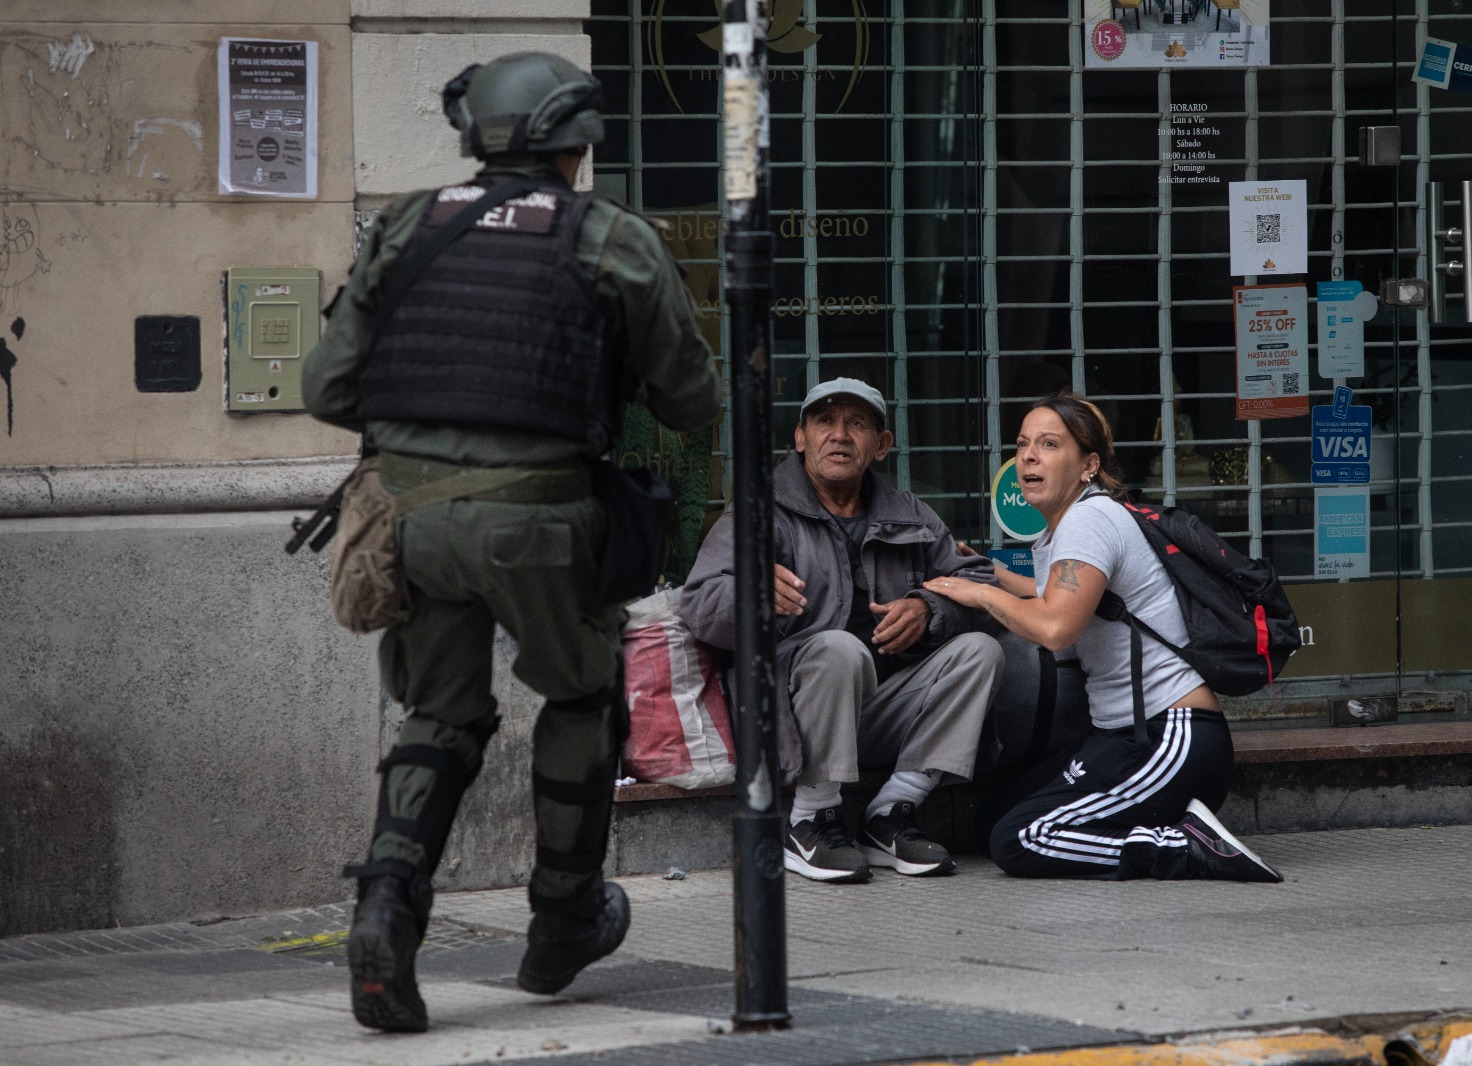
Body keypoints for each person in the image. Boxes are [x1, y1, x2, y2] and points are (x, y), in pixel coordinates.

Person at [301, 52, 722, 1032]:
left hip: (410, 520)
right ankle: (562, 916)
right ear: (574, 143)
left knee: (438, 712)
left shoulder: (409, 224)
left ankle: (386, 907)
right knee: (579, 693)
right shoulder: (609, 238)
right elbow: (692, 396)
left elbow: (327, 388)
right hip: (541, 518)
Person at [923, 392, 1282, 884]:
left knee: (1020, 839)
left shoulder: (1088, 521)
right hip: (1122, 737)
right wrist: (989, 572)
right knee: (993, 819)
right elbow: (1061, 594)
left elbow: (1055, 626)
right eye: (1023, 443)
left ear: (1089, 464)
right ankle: (1162, 829)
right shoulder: (1071, 524)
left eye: (1049, 444)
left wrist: (976, 593)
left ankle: (1185, 848)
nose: (1028, 456)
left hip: (1169, 735)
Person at [678, 378, 1004, 884]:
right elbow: (698, 603)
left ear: (881, 445)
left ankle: (892, 811)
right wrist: (751, 596)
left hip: (880, 711)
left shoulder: (909, 513)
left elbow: (982, 584)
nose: (840, 435)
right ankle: (813, 816)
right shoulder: (759, 513)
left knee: (980, 651)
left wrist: (928, 605)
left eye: (857, 424)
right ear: (800, 438)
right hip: (791, 716)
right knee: (837, 648)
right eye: (825, 422)